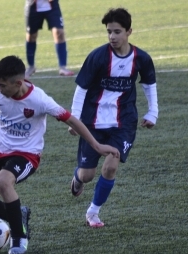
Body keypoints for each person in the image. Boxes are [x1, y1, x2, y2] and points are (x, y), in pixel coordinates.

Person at [0, 56, 119, 254]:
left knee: (3, 181)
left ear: (18, 83)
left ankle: (19, 238)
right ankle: (18, 213)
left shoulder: (39, 100)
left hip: (27, 155)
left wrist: (96, 145)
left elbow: (71, 120)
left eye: (3, 85)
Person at [68, 7, 158, 228]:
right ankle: (78, 178)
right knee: (87, 175)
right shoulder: (98, 56)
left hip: (123, 122)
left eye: (117, 32)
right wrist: (75, 119)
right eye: (109, 31)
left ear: (129, 32)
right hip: (92, 122)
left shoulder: (141, 58)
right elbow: (81, 88)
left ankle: (93, 212)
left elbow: (149, 84)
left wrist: (153, 112)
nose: (112, 36)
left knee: (110, 167)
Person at [24, 0, 74, 77]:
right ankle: (31, 66)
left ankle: (63, 67)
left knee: (59, 32)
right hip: (33, 6)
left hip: (52, 7)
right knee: (31, 36)